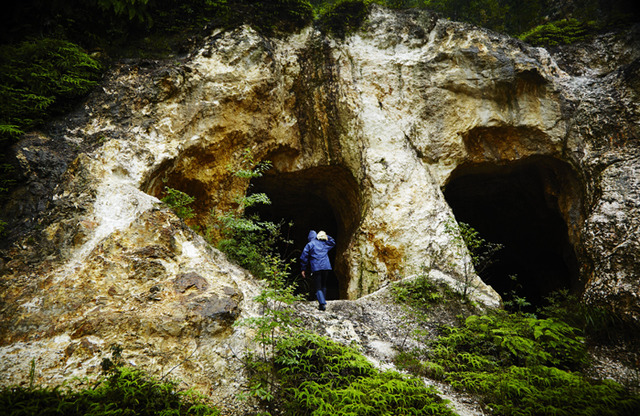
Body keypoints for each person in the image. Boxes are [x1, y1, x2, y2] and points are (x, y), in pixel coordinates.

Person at [300, 230, 335, 311]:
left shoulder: (310, 245)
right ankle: (322, 302)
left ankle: (322, 304)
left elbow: (303, 257)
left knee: (318, 287)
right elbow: (333, 242)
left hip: (316, 268)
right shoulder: (324, 243)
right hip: (326, 267)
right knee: (323, 285)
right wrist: (326, 235)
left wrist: (303, 269)